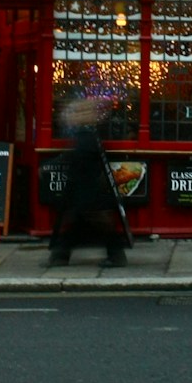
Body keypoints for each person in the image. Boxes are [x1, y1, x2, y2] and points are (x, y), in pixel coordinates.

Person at [48, 97, 129, 267]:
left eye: (76, 113)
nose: (70, 117)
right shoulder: (86, 135)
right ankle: (61, 256)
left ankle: (62, 256)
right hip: (85, 189)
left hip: (88, 189)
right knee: (81, 224)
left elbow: (81, 160)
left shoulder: (86, 137)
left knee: (87, 223)